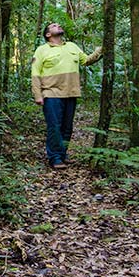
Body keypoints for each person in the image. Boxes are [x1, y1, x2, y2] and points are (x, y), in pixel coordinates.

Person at [31, 22, 102, 169]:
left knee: (67, 127)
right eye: (54, 26)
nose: (58, 26)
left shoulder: (72, 46)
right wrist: (37, 95)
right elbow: (35, 73)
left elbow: (86, 60)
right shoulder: (41, 50)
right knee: (54, 127)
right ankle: (55, 157)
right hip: (51, 93)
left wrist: (101, 50)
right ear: (48, 34)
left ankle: (62, 154)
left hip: (71, 92)